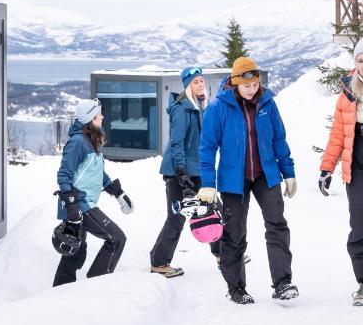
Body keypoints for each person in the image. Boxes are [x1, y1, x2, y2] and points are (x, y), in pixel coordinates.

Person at [199, 56, 298, 304]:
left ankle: (283, 283)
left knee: (277, 225)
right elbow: (207, 148)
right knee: (234, 233)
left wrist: (288, 172)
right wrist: (208, 183)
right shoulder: (217, 108)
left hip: (265, 174)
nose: (252, 90)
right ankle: (236, 288)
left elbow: (279, 139)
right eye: (247, 86)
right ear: (234, 83)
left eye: (255, 85)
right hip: (234, 180)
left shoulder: (267, 103)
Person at [53, 98, 134, 287]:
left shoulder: (91, 140)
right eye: (99, 114)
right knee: (117, 239)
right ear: (91, 118)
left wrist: (118, 193)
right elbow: (64, 174)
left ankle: (59, 291)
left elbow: (95, 172)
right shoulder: (78, 142)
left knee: (75, 250)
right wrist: (72, 206)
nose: (103, 117)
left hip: (82, 203)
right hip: (80, 204)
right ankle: (97, 285)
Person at [150, 66, 221, 277]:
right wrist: (181, 173)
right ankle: (159, 262)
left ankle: (224, 254)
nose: (200, 84)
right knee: (177, 217)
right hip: (178, 171)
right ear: (187, 86)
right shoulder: (182, 108)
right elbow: (177, 143)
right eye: (195, 82)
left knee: (214, 209)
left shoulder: (202, 106)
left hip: (197, 169)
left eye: (201, 80)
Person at [318, 42, 363, 306]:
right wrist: (327, 167)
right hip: (356, 163)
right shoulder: (347, 92)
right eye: (361, 59)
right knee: (359, 226)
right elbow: (337, 134)